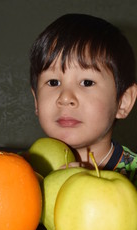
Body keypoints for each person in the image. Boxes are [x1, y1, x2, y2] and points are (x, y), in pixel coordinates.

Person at [29, 13, 137, 187]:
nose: (65, 97)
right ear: (36, 101)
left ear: (123, 101)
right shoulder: (26, 172)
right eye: (53, 82)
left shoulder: (133, 175)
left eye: (87, 82)